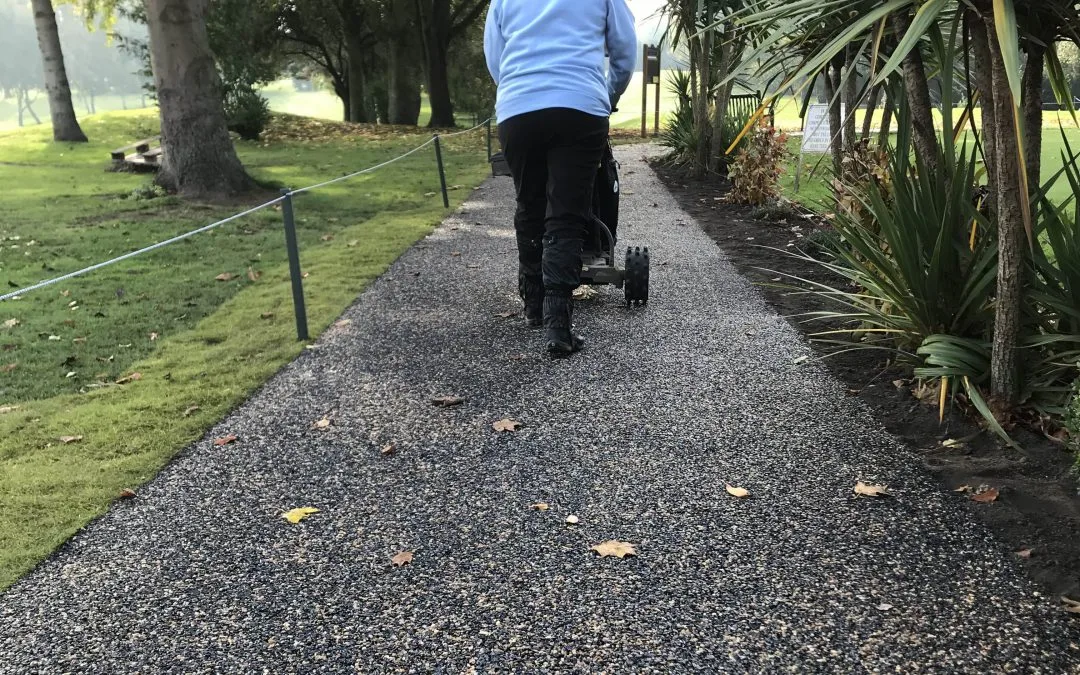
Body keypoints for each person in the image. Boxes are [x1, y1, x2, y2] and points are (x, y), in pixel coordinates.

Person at [484, 0, 637, 356]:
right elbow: (625, 53)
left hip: (518, 108)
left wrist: (517, 93)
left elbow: (495, 56)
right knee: (567, 213)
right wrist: (606, 96)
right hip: (580, 106)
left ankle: (533, 305)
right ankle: (558, 327)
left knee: (529, 204)